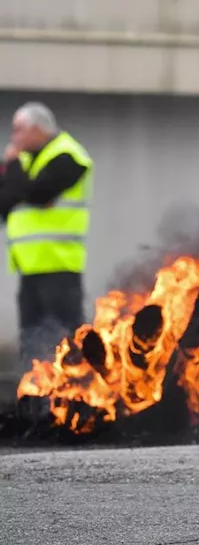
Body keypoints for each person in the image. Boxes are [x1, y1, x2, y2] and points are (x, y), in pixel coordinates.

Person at [0, 102, 94, 368]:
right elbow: (5, 200)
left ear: (37, 129)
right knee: (31, 341)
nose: (13, 137)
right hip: (29, 267)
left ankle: (80, 395)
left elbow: (38, 194)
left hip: (60, 266)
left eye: (18, 129)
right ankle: (34, 397)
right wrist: (17, 177)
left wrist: (14, 166)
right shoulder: (27, 161)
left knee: (67, 338)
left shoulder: (69, 156)